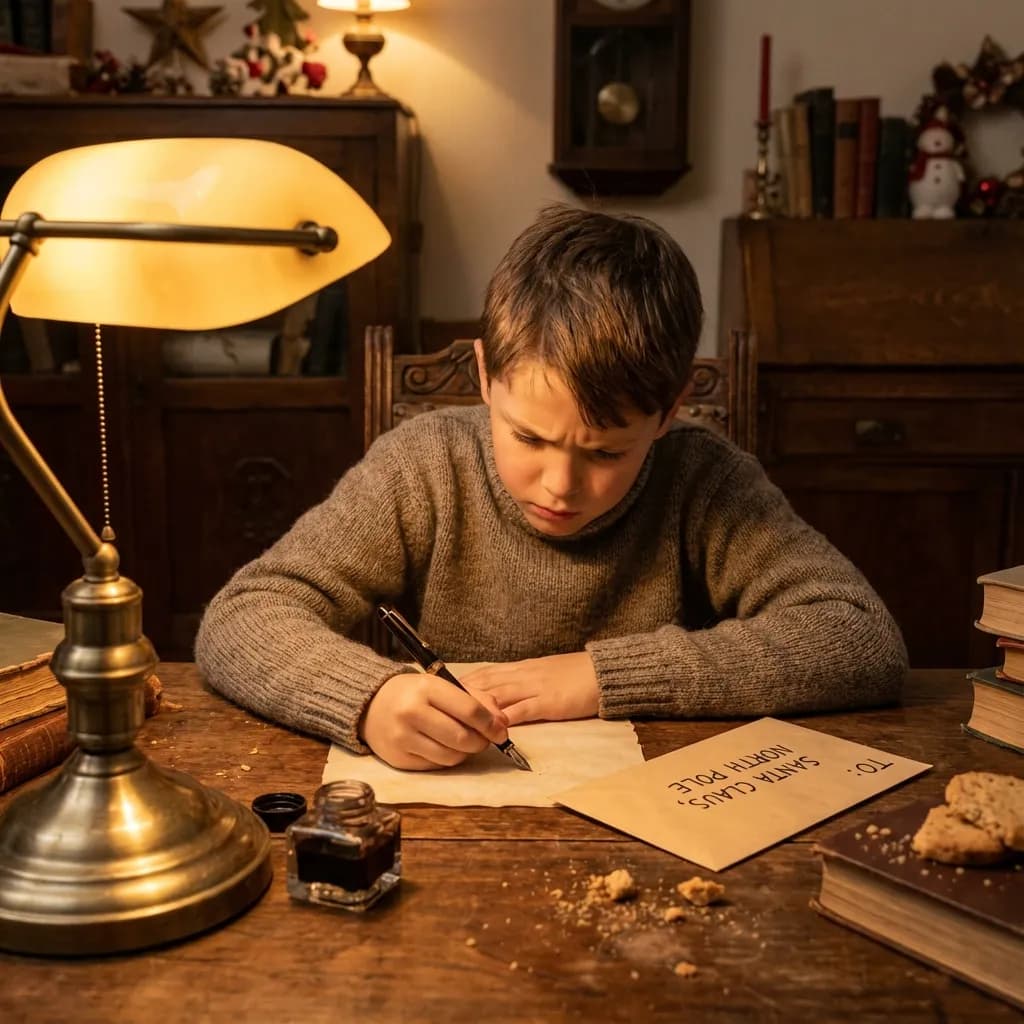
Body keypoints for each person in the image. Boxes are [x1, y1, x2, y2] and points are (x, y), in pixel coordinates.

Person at [195, 205, 907, 771]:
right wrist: (369, 698)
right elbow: (243, 615)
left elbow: (859, 637)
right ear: (484, 376)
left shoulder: (703, 480)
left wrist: (606, 676)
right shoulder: (423, 466)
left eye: (607, 451)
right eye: (529, 437)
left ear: (671, 410)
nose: (560, 486)